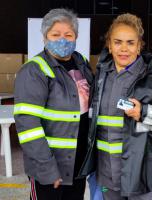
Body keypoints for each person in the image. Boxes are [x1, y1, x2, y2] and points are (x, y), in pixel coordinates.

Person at [83, 13, 152, 200]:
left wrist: (144, 112)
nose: (124, 49)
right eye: (118, 42)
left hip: (143, 175)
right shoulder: (101, 78)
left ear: (139, 46)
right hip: (107, 174)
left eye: (130, 43)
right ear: (110, 46)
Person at [14, 8, 93, 200]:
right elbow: (28, 126)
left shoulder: (81, 63)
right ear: (44, 37)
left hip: (77, 162)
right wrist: (47, 169)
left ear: (76, 37)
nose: (62, 40)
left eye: (68, 34)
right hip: (50, 167)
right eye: (55, 35)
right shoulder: (34, 70)